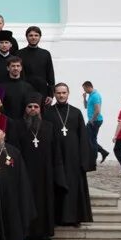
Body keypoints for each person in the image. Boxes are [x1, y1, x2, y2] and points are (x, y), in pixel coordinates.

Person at [15, 94, 63, 240]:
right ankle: (25, 233)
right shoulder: (17, 126)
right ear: (25, 109)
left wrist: (57, 171)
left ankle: (44, 234)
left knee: (44, 202)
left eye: (36, 107)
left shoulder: (49, 126)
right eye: (30, 107)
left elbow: (56, 150)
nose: (33, 109)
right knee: (25, 202)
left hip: (45, 173)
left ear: (40, 109)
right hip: (25, 173)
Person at [45, 83, 94, 226]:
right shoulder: (48, 112)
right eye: (58, 93)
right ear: (54, 94)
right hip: (56, 155)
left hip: (73, 157)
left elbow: (83, 137)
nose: (61, 95)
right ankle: (57, 218)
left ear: (68, 93)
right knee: (57, 186)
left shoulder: (76, 112)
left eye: (64, 92)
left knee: (73, 187)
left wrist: (84, 160)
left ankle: (74, 218)